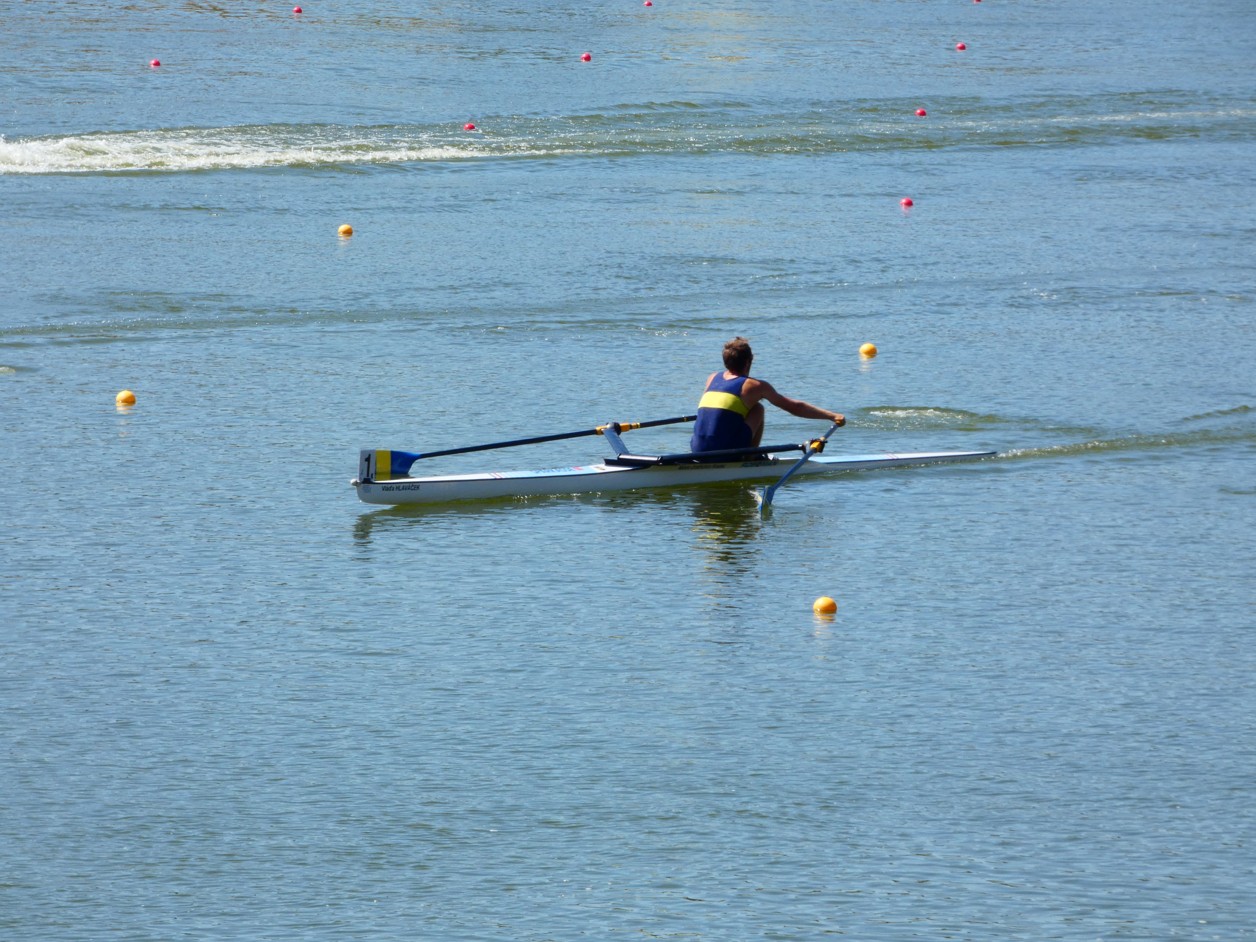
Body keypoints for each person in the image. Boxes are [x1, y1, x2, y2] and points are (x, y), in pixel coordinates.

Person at [690, 337, 844, 453]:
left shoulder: (712, 378)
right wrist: (832, 416)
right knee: (758, 408)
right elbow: (795, 407)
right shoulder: (755, 386)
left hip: (696, 449)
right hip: (725, 451)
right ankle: (750, 456)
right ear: (749, 361)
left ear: (725, 362)